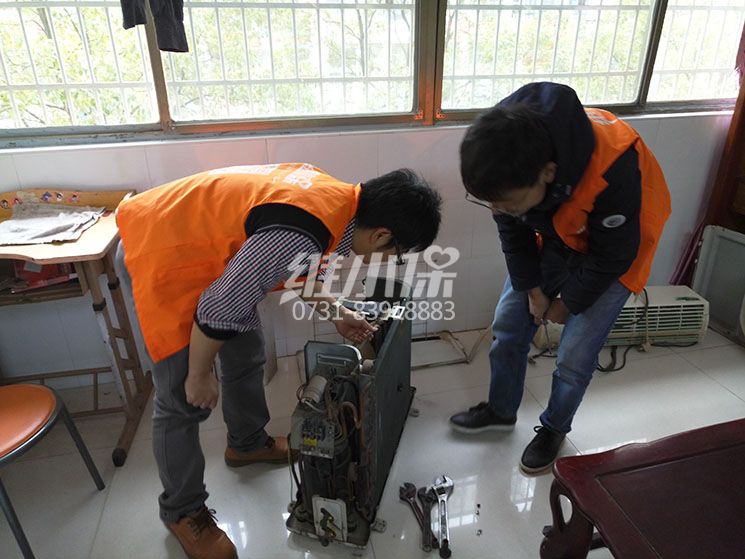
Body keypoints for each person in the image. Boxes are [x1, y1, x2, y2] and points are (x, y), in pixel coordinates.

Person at [115, 163, 442, 559]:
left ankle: (247, 444)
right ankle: (182, 511)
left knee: (246, 351)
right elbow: (218, 307)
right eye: (396, 254)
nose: (390, 259)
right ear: (382, 235)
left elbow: (299, 269)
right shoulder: (302, 231)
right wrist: (199, 373)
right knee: (181, 399)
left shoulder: (338, 203)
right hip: (160, 253)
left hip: (200, 250)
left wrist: (338, 313)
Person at [450, 82, 670, 474]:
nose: (499, 209)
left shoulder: (613, 165)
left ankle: (553, 429)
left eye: (508, 203)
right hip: (558, 230)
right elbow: (512, 231)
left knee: (574, 356)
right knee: (509, 325)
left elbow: (612, 255)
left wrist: (566, 304)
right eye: (492, 203)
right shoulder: (504, 152)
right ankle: (501, 410)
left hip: (617, 252)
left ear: (547, 173)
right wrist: (533, 290)